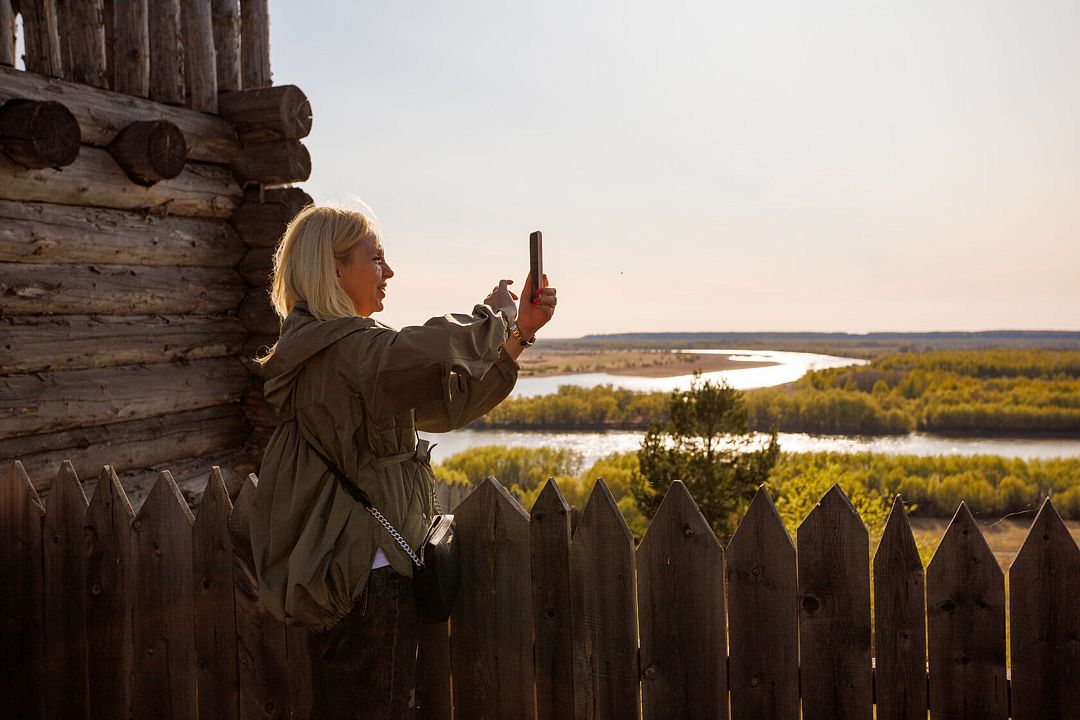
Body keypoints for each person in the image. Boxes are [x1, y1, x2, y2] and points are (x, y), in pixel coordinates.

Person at [250, 205, 556, 719]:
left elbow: (446, 404)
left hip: (341, 572)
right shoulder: (347, 351)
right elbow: (424, 347)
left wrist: (518, 335)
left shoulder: (327, 350)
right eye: (376, 260)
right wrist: (494, 316)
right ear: (334, 270)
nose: (389, 273)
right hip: (367, 580)